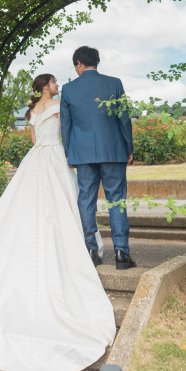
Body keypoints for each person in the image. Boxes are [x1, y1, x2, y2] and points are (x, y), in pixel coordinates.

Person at [0, 74, 116, 371]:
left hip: (36, 158)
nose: (57, 86)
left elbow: (34, 140)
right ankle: (78, 246)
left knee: (25, 207)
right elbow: (66, 131)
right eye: (54, 83)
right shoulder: (56, 105)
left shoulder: (31, 113)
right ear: (46, 87)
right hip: (54, 156)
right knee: (63, 204)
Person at [60, 46, 135, 270]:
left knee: (86, 200)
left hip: (82, 155)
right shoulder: (114, 83)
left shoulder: (68, 89)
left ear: (79, 64)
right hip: (113, 151)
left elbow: (66, 126)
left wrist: (69, 154)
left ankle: (91, 251)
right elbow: (124, 119)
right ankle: (121, 253)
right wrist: (128, 147)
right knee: (117, 200)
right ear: (96, 62)